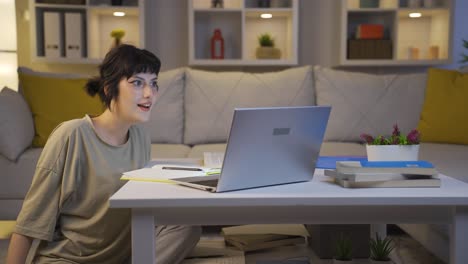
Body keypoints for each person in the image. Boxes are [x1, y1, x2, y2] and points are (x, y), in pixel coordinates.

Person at [6, 44, 201, 264]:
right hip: (68, 259)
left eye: (153, 84)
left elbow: (144, 204)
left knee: (186, 226)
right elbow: (29, 223)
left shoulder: (140, 137)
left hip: (120, 256)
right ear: (109, 88)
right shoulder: (71, 135)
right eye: (137, 83)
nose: (149, 93)